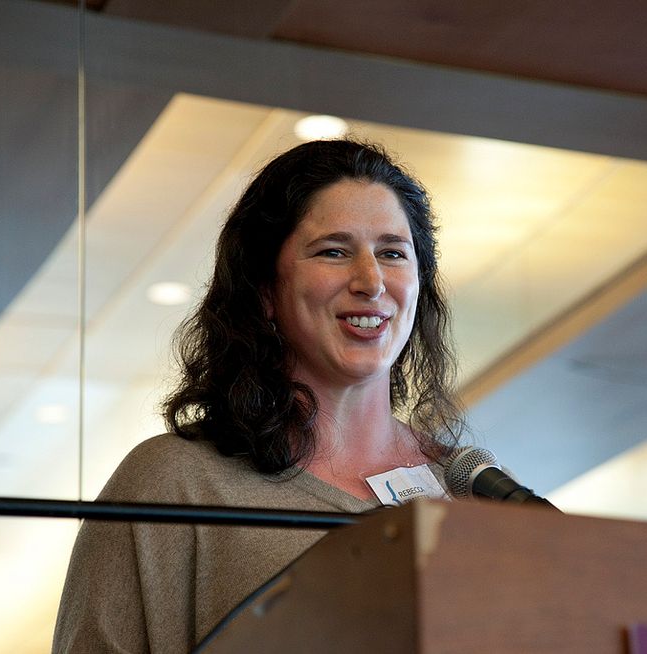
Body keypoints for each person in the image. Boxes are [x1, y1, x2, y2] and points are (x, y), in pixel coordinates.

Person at [51, 138, 465, 653]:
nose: (371, 280)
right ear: (265, 289)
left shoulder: (468, 486)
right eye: (333, 251)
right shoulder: (174, 484)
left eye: (392, 253)